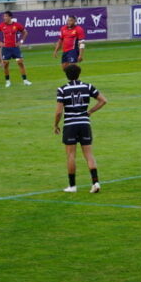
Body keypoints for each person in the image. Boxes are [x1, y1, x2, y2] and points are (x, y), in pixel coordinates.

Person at [54, 63, 107, 194]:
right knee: (89, 154)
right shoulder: (87, 86)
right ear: (79, 74)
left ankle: (72, 186)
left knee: (71, 155)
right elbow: (103, 101)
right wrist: (89, 112)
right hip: (84, 123)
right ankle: (95, 182)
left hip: (70, 124)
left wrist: (55, 124)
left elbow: (59, 112)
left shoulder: (62, 89)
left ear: (66, 75)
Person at [0, 11, 30, 87]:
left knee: (20, 62)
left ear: (10, 17)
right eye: (4, 16)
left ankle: (25, 80)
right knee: (5, 65)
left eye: (6, 16)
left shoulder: (16, 25)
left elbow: (25, 32)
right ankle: (8, 81)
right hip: (6, 48)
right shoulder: (1, 25)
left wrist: (21, 41)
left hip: (15, 48)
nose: (4, 18)